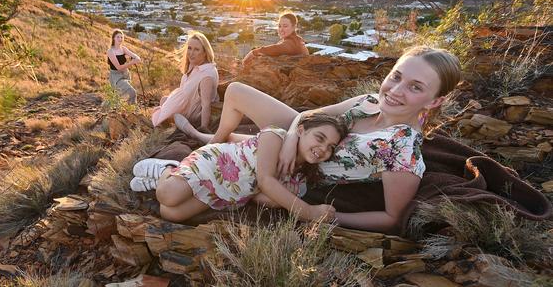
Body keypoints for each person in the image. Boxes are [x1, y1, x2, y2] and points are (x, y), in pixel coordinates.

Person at [177, 45, 462, 233]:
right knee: (237, 90)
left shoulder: (401, 146)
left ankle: (205, 138)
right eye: (396, 76)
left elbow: (392, 218)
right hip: (301, 140)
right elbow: (310, 114)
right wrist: (290, 139)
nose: (396, 90)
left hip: (306, 167)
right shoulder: (369, 101)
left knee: (188, 203)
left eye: (415, 87)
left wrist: (321, 216)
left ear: (435, 100)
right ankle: (209, 139)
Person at [130, 112, 348, 223]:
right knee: (167, 195)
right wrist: (309, 211)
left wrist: (272, 198)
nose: (322, 149)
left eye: (330, 147)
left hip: (227, 193)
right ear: (300, 130)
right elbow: (265, 180)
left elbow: (262, 198)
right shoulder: (276, 137)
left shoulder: (299, 181)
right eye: (319, 138)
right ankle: (167, 168)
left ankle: (166, 178)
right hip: (215, 164)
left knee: (170, 213)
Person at [151, 31, 219, 131]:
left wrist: (204, 128)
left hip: (189, 115)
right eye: (189, 48)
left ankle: (164, 123)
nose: (191, 53)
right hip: (184, 107)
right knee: (164, 100)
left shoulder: (206, 76)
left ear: (205, 52)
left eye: (196, 50)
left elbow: (206, 105)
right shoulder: (194, 65)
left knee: (160, 110)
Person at [242, 11, 309, 66]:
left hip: (288, 80)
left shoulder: (291, 43)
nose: (281, 29)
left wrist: (252, 53)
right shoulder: (297, 40)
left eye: (285, 26)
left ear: (294, 27)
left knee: (234, 83)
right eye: (279, 26)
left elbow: (275, 48)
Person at [107, 29, 141, 104]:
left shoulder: (124, 49)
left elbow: (137, 57)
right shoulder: (110, 51)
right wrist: (132, 62)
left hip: (125, 74)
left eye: (121, 37)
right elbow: (118, 67)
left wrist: (136, 58)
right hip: (116, 76)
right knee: (132, 92)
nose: (120, 39)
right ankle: (133, 110)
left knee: (121, 96)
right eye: (118, 37)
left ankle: (125, 111)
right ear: (113, 38)